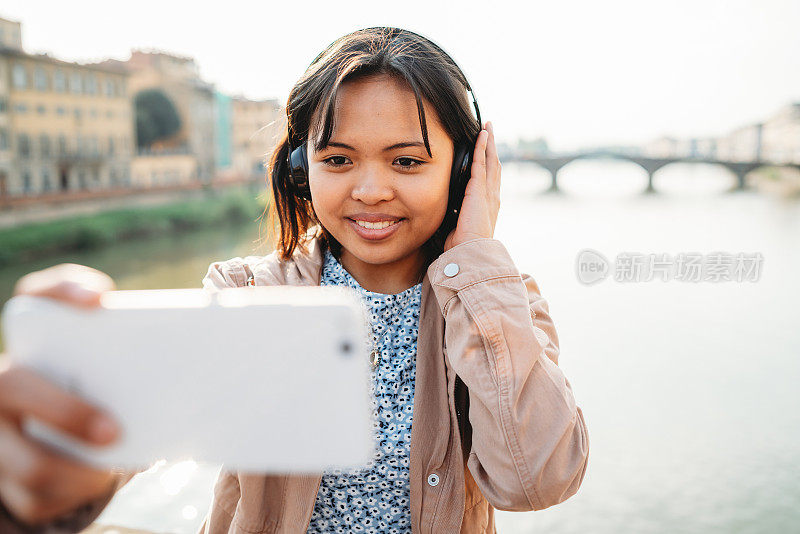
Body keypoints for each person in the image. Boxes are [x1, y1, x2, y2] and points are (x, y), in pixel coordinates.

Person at [0, 27, 589, 533]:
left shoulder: (498, 304)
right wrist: (57, 461)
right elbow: (130, 434)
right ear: (300, 168)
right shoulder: (245, 296)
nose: (370, 189)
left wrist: (478, 259)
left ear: (463, 173)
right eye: (338, 160)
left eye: (407, 161)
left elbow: (535, 481)